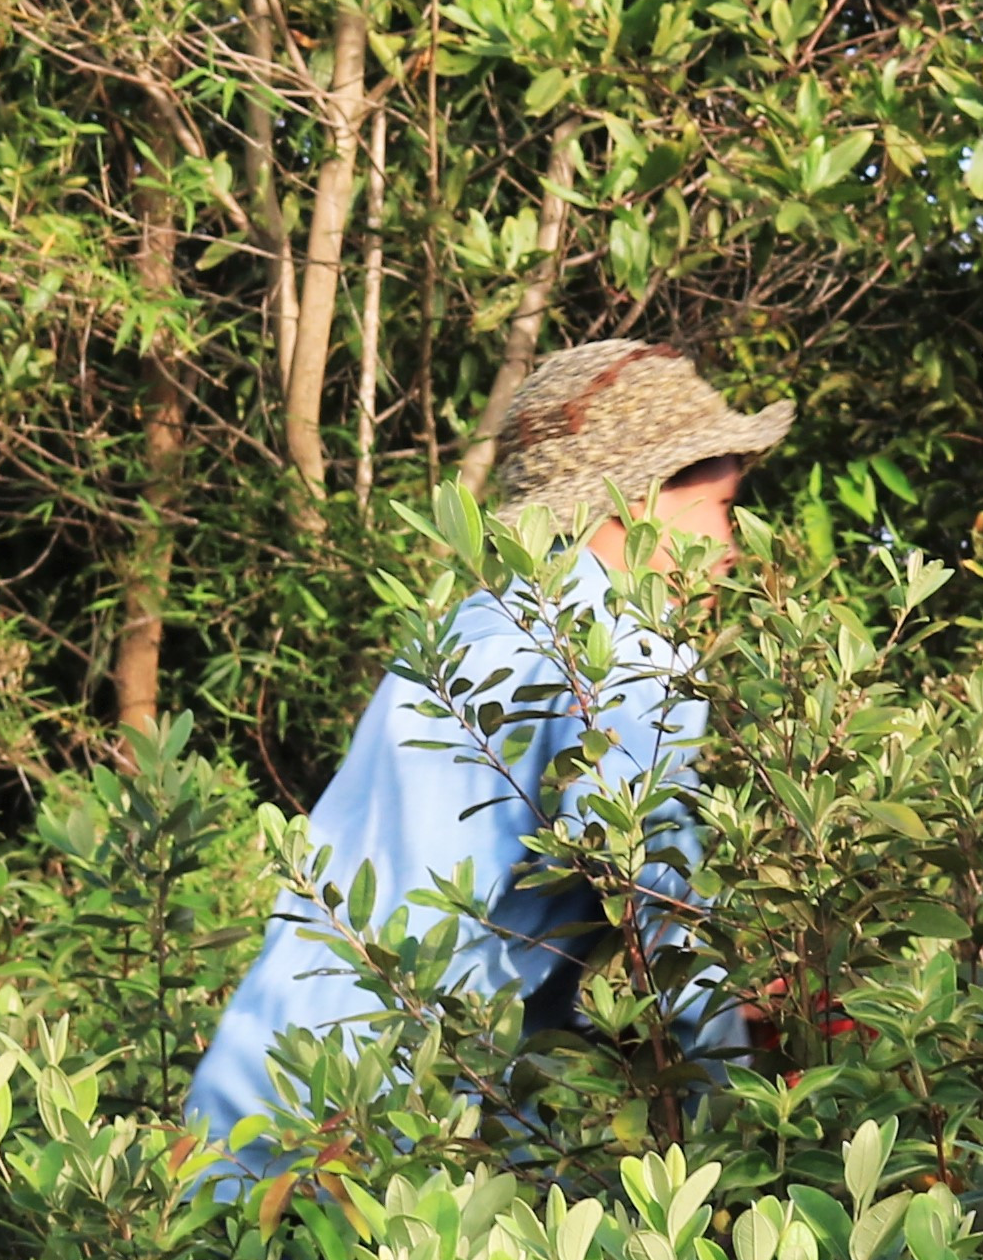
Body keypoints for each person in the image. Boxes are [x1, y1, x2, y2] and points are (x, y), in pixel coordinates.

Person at [181, 339, 785, 1196]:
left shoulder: (467, 629)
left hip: (249, 1100)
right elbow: (664, 924)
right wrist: (756, 1141)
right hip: (377, 1134)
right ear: (632, 503)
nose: (730, 544)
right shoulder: (631, 661)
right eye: (720, 505)